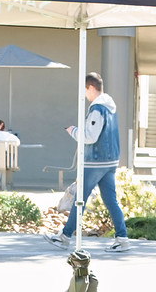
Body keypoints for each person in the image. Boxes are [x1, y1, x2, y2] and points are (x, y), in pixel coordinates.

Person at [53, 72, 128, 251]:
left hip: (95, 161)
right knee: (110, 200)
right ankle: (122, 239)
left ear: (91, 88)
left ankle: (64, 236)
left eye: (85, 90)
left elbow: (90, 136)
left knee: (80, 199)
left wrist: (73, 130)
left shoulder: (97, 109)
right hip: (109, 162)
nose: (84, 95)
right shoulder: (110, 107)